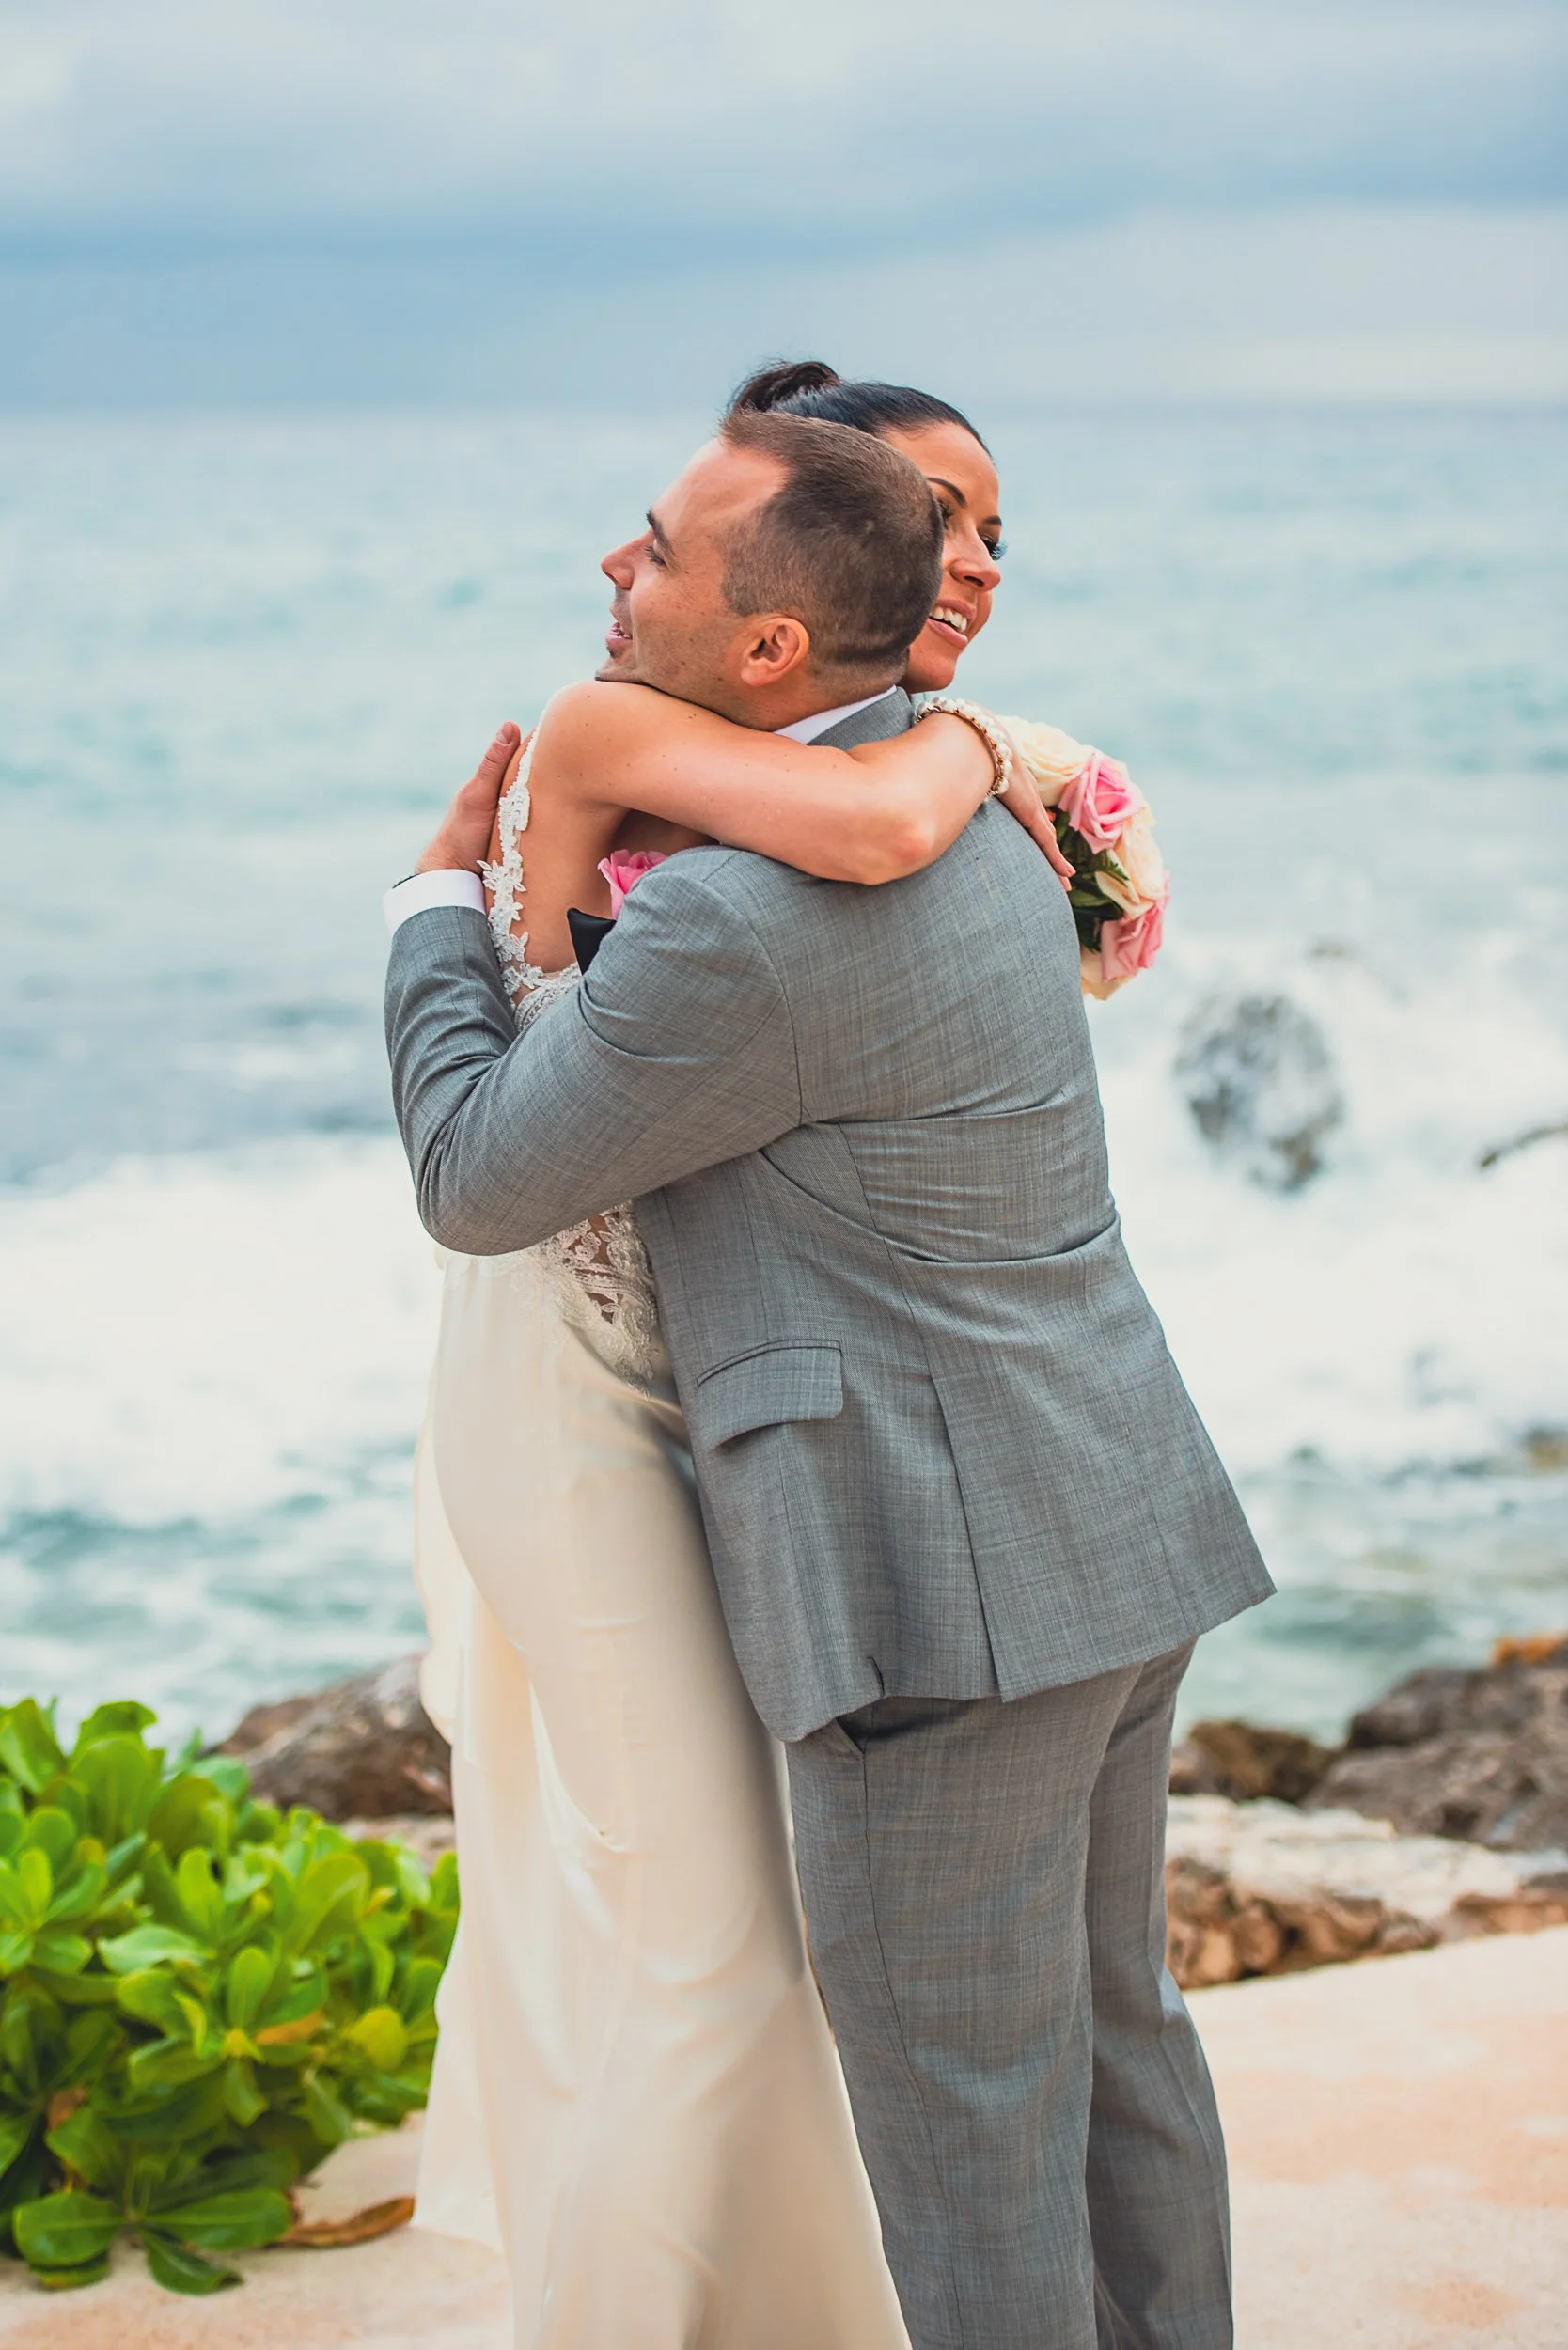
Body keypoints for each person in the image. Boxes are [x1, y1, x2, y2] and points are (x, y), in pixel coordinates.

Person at [389, 381, 1273, 2350]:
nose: (620, 573)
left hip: (939, 1599)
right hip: (1124, 1518)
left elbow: (475, 1172)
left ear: (771, 643)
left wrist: (430, 910)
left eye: (663, 548)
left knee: (968, 2139)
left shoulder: (731, 922)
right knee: (1118, 2038)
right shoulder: (994, 821)